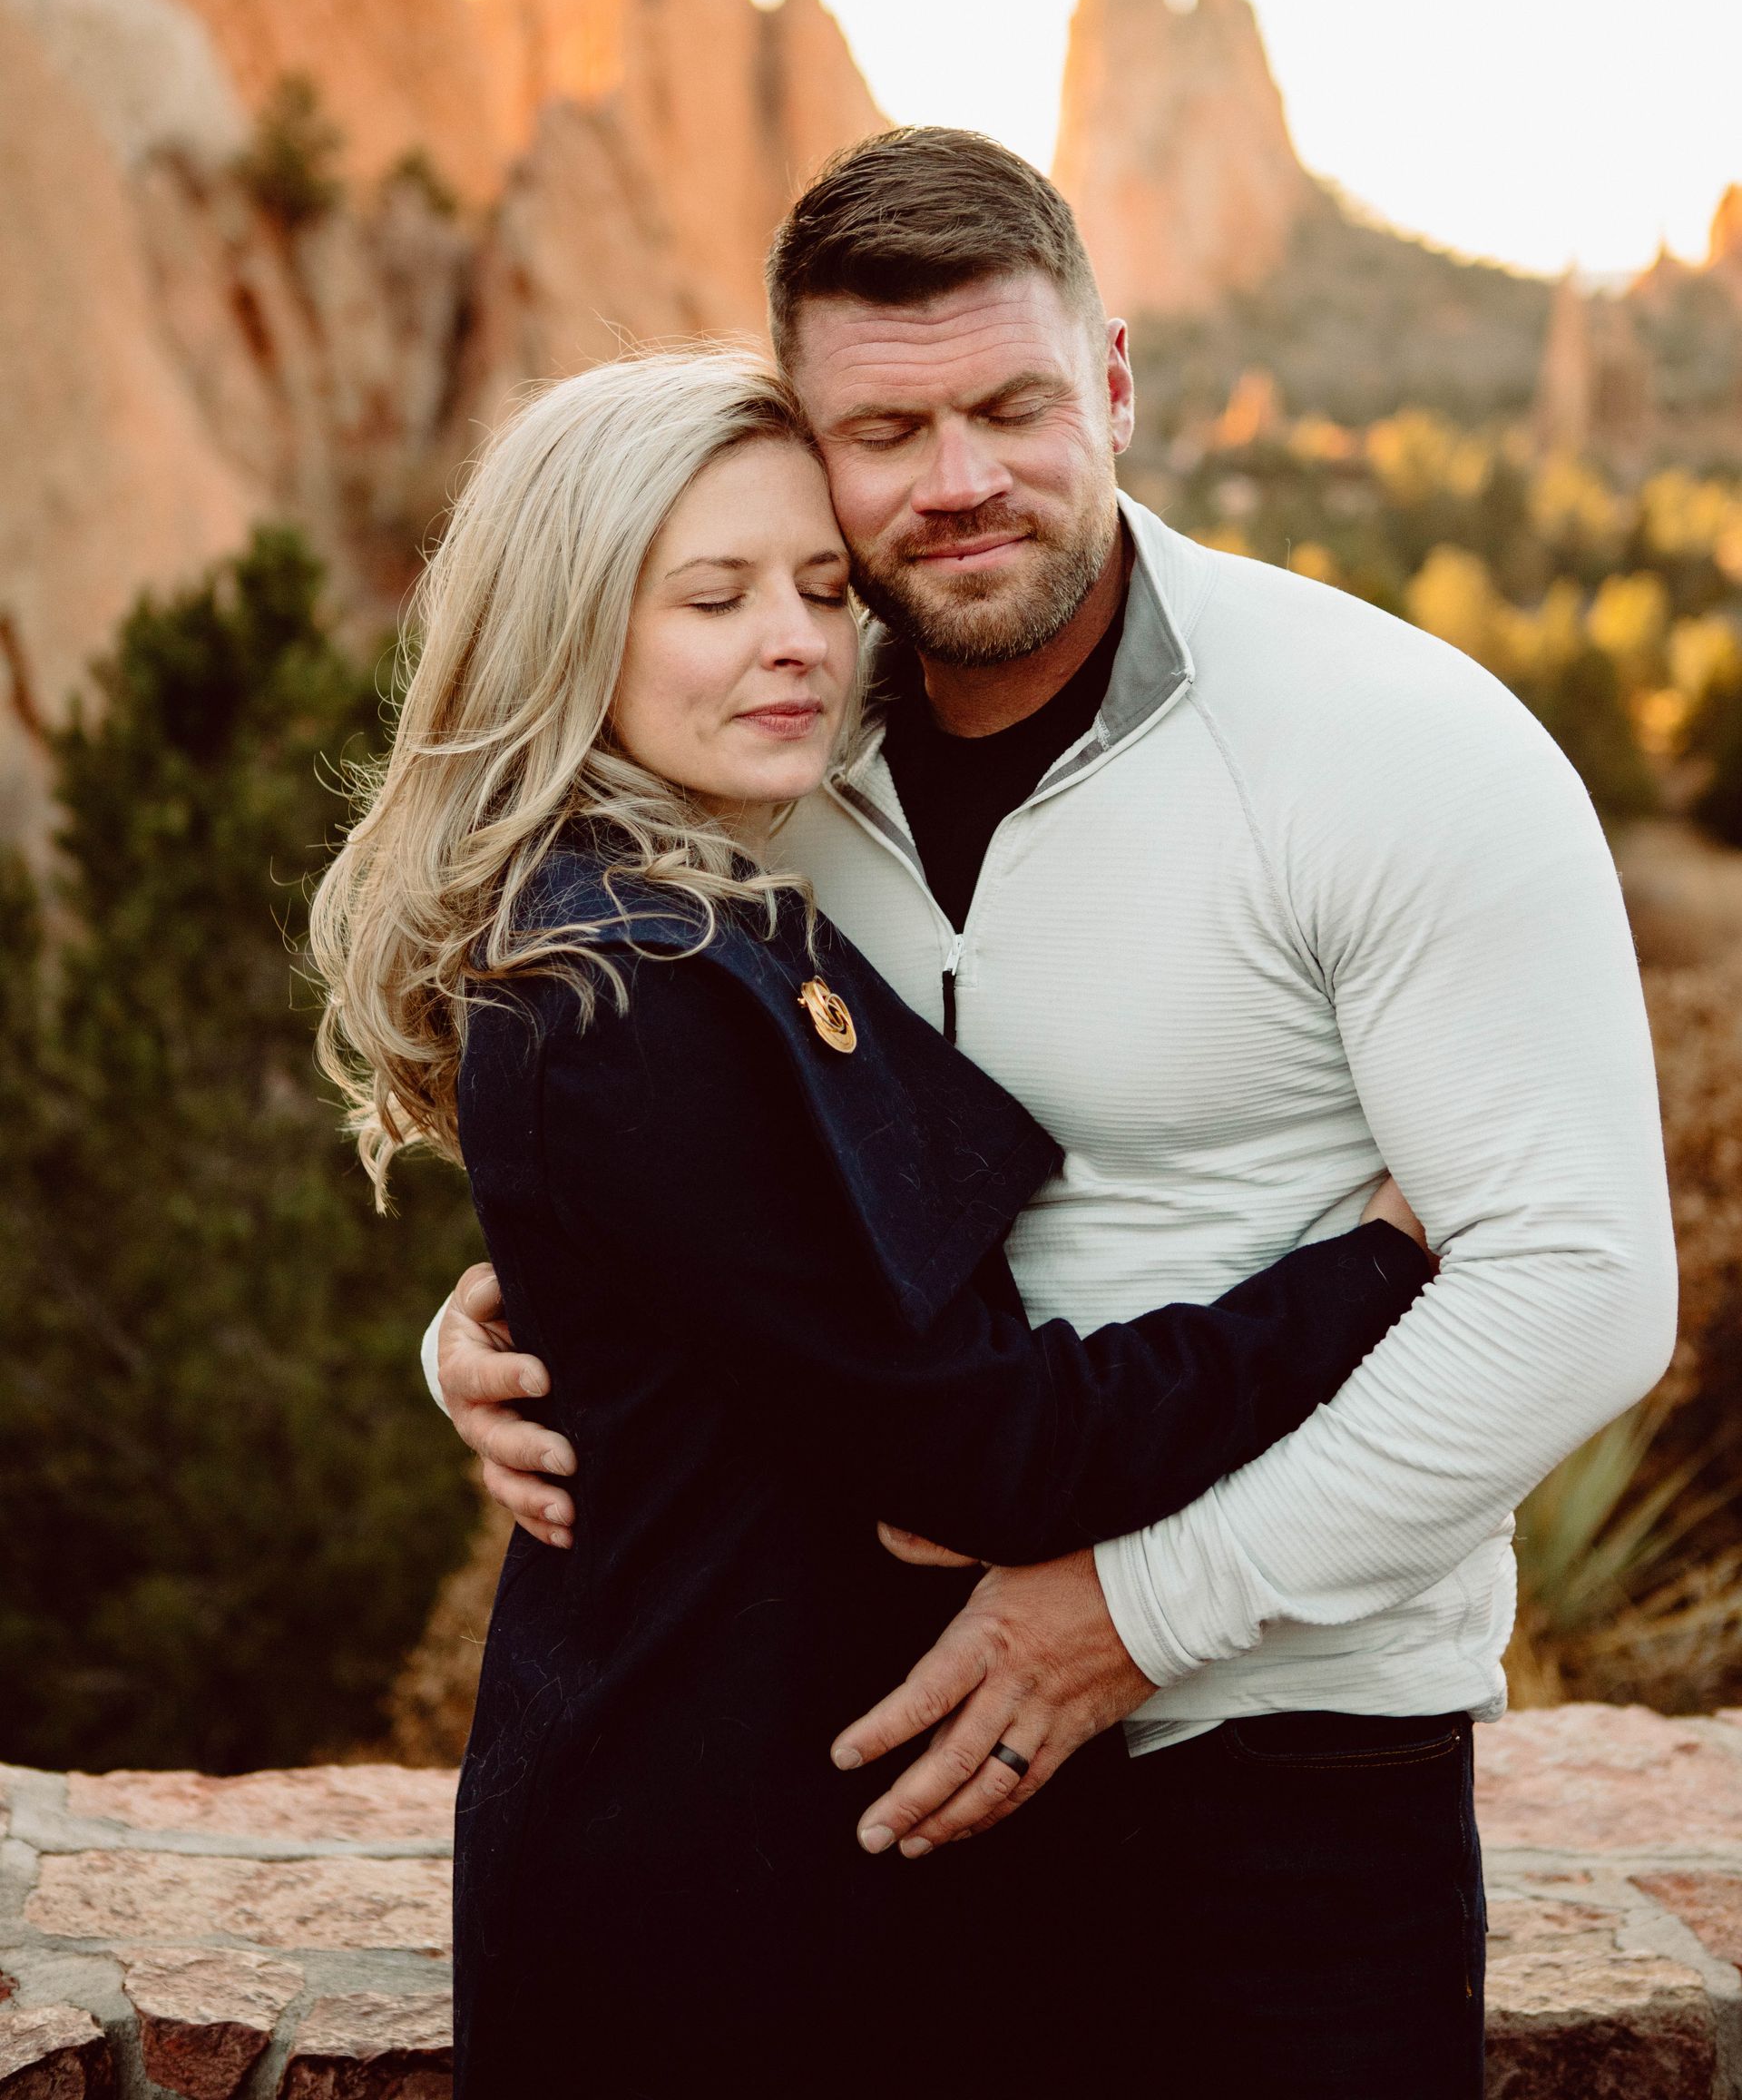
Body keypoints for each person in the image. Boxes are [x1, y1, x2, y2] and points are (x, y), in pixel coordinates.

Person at [429, 129, 1676, 2095]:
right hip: (909, 1780)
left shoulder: (1392, 741)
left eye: (1012, 404)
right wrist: (516, 1320)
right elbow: (691, 1145)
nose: (958, 481)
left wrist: (1125, 1616)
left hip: (1286, 1755)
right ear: (810, 437)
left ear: (1111, 378)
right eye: (886, 429)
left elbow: (1586, 1288)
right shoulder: (773, 743)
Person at [313, 350, 1435, 2095]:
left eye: (827, 590)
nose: (797, 640)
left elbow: (721, 1302)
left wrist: (505, 1324)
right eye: (714, 594)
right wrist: (1369, 1268)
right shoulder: (638, 982)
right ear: (569, 628)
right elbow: (995, 1453)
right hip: (715, 1898)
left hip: (767, 1834)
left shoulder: (690, 904)